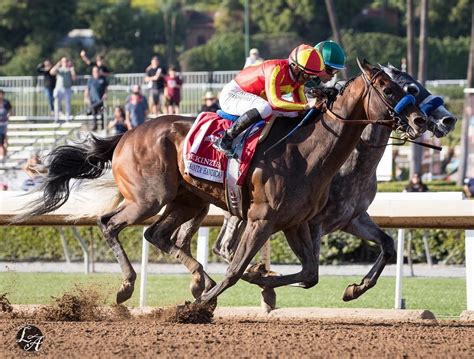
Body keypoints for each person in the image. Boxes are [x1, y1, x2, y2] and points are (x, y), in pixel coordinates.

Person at [214, 44, 326, 155]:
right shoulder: (276, 69)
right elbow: (275, 102)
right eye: (307, 76)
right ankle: (225, 139)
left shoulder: (297, 80)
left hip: (254, 100)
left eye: (312, 77)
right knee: (264, 108)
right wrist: (306, 106)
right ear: (295, 67)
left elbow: (302, 109)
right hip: (233, 94)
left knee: (294, 114)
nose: (307, 80)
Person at [50, 57, 76, 122]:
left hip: (67, 88)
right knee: (56, 103)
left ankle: (67, 118)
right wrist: (57, 65)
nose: (65, 63)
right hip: (59, 88)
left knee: (67, 103)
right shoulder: (59, 69)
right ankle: (56, 119)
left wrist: (72, 70)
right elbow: (51, 72)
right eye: (63, 61)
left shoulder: (70, 70)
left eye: (66, 61)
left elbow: (74, 78)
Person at [84, 66, 108, 131]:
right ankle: (95, 126)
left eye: (97, 71)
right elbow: (87, 90)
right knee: (93, 109)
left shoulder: (103, 79)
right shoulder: (90, 80)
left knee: (102, 111)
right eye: (94, 71)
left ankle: (103, 128)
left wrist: (105, 94)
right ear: (92, 72)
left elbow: (106, 90)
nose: (96, 72)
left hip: (101, 101)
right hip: (93, 101)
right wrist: (86, 97)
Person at [0, 90, 12, 161]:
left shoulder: (6, 102)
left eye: (1, 94)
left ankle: (5, 153)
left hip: (4, 124)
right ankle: (3, 154)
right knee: (1, 140)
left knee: (4, 138)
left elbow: (10, 109)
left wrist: (9, 114)